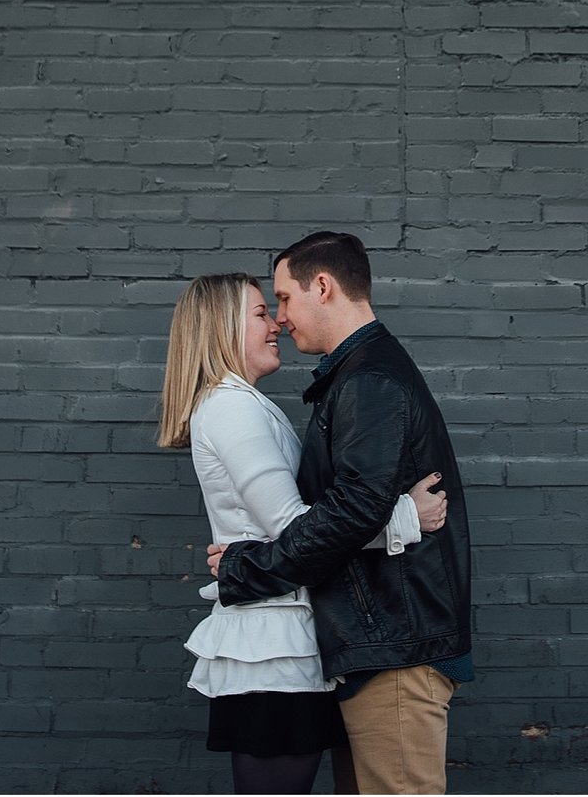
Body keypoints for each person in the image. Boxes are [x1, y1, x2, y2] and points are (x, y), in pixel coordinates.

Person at [160, 272, 451, 796]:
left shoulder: (243, 404)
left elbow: (303, 524)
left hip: (284, 641)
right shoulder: (231, 406)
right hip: (270, 648)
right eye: (259, 314)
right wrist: (405, 518)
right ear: (221, 327)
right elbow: (297, 526)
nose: (275, 324)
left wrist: (249, 559)